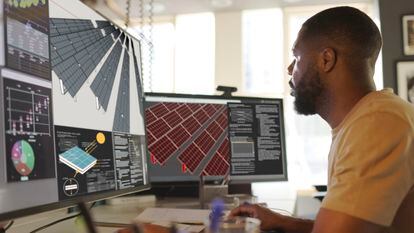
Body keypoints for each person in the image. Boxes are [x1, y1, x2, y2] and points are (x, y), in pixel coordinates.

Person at [230, 6, 414, 233]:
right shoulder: (363, 120)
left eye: (296, 57)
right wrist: (283, 222)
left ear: (326, 59)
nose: (289, 69)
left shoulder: (377, 123)